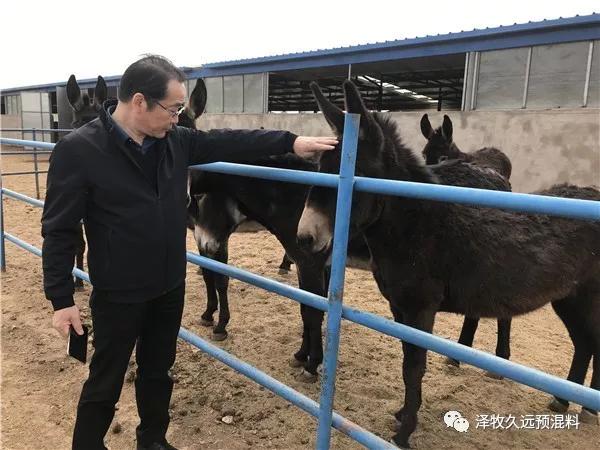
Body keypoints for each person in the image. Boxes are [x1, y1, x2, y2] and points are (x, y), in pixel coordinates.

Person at [41, 54, 337, 450]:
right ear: (140, 102)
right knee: (105, 379)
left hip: (168, 285)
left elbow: (230, 140)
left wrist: (291, 142)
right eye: (173, 108)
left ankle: (153, 440)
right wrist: (61, 299)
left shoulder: (175, 141)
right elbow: (59, 229)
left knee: (158, 371)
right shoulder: (79, 150)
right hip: (119, 291)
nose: (178, 117)